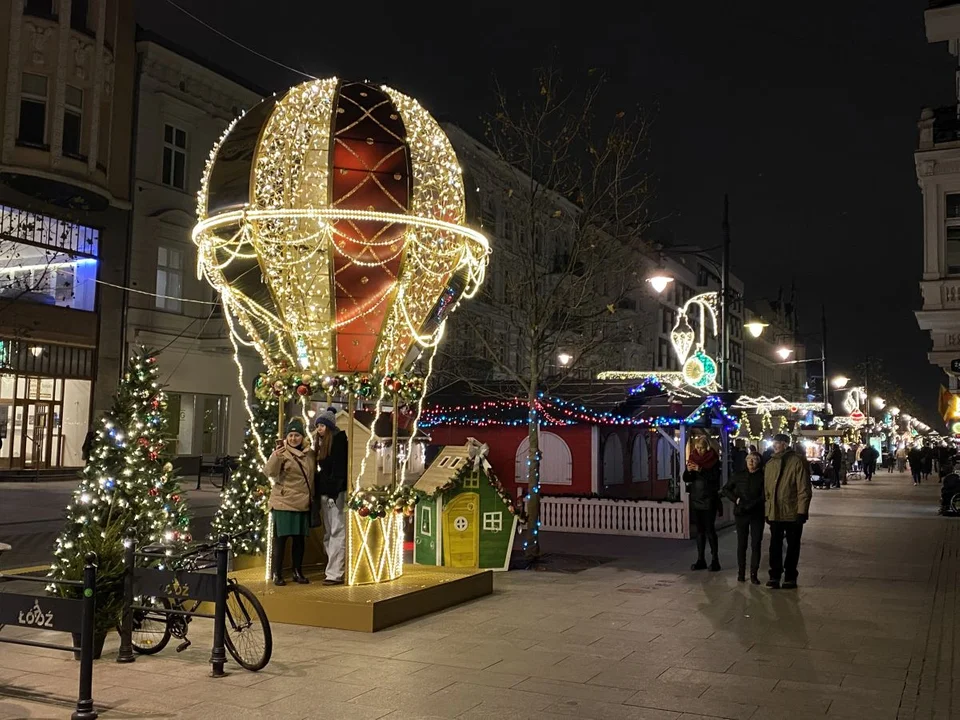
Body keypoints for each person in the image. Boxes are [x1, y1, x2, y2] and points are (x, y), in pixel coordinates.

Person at [265, 418, 315, 586]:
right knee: (281, 539)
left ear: (302, 437)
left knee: (299, 540)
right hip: (284, 502)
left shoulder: (309, 453)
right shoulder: (281, 452)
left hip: (302, 502)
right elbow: (269, 472)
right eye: (291, 435)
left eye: (297, 435)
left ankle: (297, 571)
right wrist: (275, 458)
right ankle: (277, 573)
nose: (293, 439)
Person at [764, 433, 811, 590]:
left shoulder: (797, 461)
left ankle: (790, 576)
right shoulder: (770, 463)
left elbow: (803, 488)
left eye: (778, 443)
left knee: (792, 545)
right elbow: (767, 490)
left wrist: (802, 511)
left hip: (792, 511)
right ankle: (774, 575)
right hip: (775, 512)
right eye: (774, 443)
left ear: (785, 444)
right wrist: (767, 510)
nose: (775, 446)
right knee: (775, 545)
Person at [314, 408, 348, 586]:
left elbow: (338, 469)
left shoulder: (337, 441)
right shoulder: (322, 444)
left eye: (322, 425)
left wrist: (333, 490)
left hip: (335, 494)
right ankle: (332, 568)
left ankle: (335, 572)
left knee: (336, 531)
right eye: (318, 425)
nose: (319, 429)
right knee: (329, 533)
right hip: (327, 493)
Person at [722, 451, 765, 584]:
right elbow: (725, 489)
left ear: (759, 461)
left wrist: (754, 503)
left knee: (756, 543)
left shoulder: (762, 477)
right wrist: (737, 500)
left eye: (754, 459)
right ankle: (741, 572)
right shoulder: (738, 475)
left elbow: (765, 494)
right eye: (749, 459)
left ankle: (754, 573)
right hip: (741, 513)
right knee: (742, 543)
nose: (751, 462)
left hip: (756, 513)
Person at [684, 434, 722, 572]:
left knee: (709, 530)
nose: (700, 450)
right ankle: (701, 559)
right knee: (700, 531)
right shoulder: (693, 458)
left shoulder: (713, 460)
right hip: (696, 498)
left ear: (707, 448)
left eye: (702, 448)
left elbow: (714, 478)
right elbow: (686, 478)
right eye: (698, 447)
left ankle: (715, 559)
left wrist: (700, 469)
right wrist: (688, 471)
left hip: (709, 498)